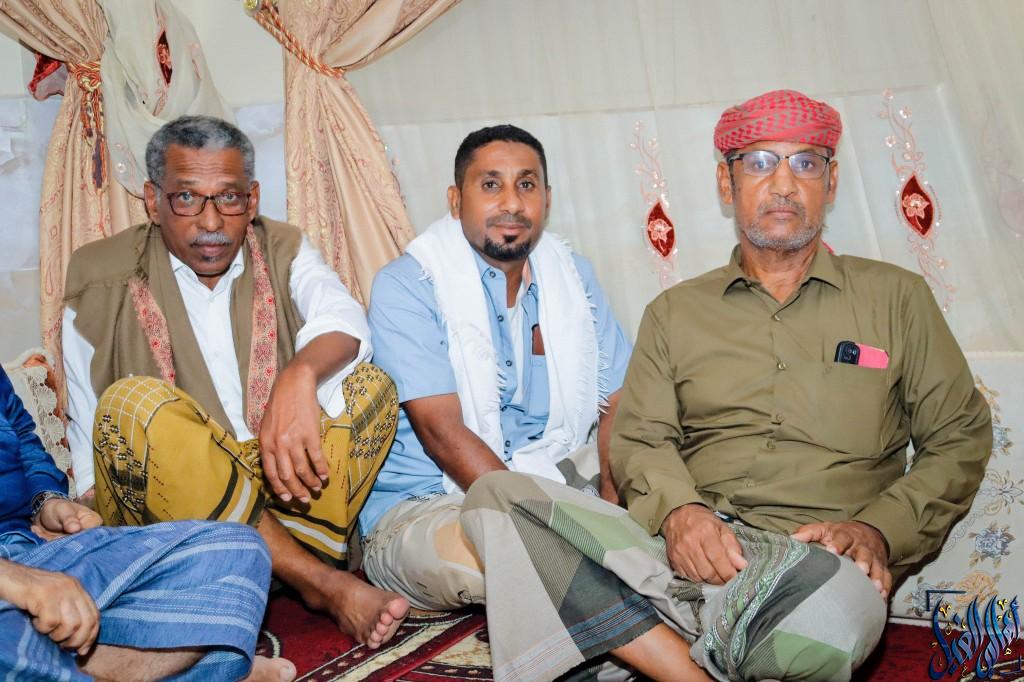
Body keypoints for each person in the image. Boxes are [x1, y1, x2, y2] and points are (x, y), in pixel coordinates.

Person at [607, 89, 993, 679]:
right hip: (689, 549)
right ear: (726, 182)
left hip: (818, 563)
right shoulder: (674, 313)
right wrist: (680, 511)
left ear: (830, 183)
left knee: (824, 628)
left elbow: (959, 437)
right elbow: (640, 437)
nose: (784, 184)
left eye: (806, 163)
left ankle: (649, 639)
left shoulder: (896, 299)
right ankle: (699, 640)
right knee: (505, 506)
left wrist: (877, 531)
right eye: (760, 162)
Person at [360, 125, 710, 681]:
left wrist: (615, 500)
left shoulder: (571, 275)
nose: (511, 203)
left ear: (546, 198)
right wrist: (581, 528)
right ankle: (687, 668)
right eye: (490, 185)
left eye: (526, 185)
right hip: (429, 508)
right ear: (455, 200)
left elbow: (619, 401)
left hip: (558, 474)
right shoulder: (409, 286)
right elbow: (442, 433)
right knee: (532, 555)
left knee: (677, 470)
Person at [62, 115, 408, 648]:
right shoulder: (98, 274)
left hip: (283, 482)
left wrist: (298, 377)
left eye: (228, 198)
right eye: (186, 198)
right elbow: (88, 422)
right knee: (135, 404)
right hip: (171, 513)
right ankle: (316, 580)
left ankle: (263, 564)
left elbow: (344, 320)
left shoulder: (282, 246)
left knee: (372, 387)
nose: (211, 222)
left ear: (252, 199)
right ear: (153, 201)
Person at [0, 365, 296, 681]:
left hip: (36, 550)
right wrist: (15, 580)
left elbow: (24, 438)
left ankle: (64, 665)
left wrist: (47, 502)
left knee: (239, 549)